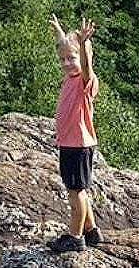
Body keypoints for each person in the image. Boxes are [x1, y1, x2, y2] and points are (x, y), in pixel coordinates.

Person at [47, 14, 104, 252]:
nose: (67, 63)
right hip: (70, 144)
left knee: (76, 192)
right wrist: (61, 34)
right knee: (78, 189)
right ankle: (91, 231)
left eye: (72, 59)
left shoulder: (85, 81)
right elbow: (66, 50)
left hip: (78, 145)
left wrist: (82, 46)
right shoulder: (70, 78)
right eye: (63, 60)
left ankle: (75, 237)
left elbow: (85, 66)